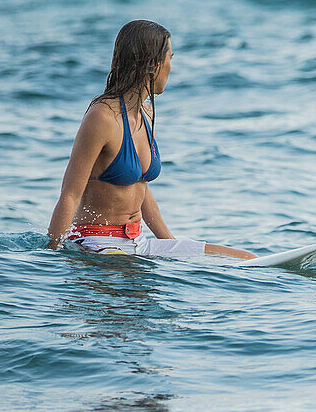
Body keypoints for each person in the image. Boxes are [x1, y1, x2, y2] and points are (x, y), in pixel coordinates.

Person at [47, 20, 255, 260]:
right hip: (96, 243)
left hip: (138, 243)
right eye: (170, 58)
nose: (170, 66)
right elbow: (70, 194)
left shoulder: (147, 113)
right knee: (132, 278)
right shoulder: (101, 117)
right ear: (154, 65)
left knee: (245, 258)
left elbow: (140, 187)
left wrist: (173, 247)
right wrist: (51, 257)